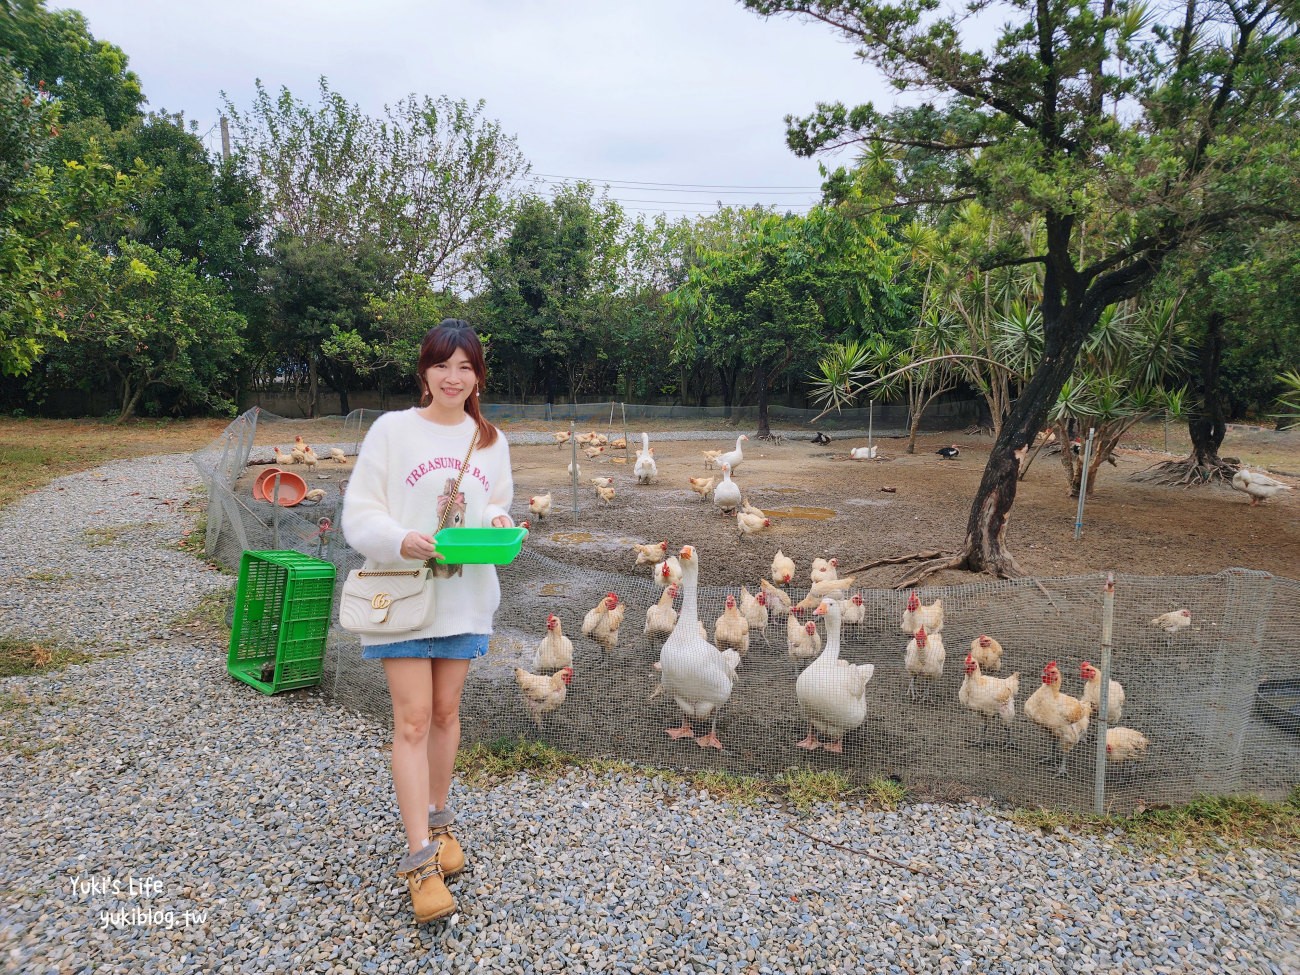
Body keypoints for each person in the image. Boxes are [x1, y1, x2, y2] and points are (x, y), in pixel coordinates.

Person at [341, 319, 514, 922]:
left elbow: (498, 501)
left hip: (465, 597)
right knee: (412, 719)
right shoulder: (392, 432)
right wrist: (399, 539)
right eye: (444, 365)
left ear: (478, 376)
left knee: (445, 713)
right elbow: (359, 514)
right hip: (405, 597)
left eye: (466, 367)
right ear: (425, 371)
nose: (454, 378)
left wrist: (494, 519)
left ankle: (441, 825)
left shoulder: (490, 439)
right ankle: (419, 859)